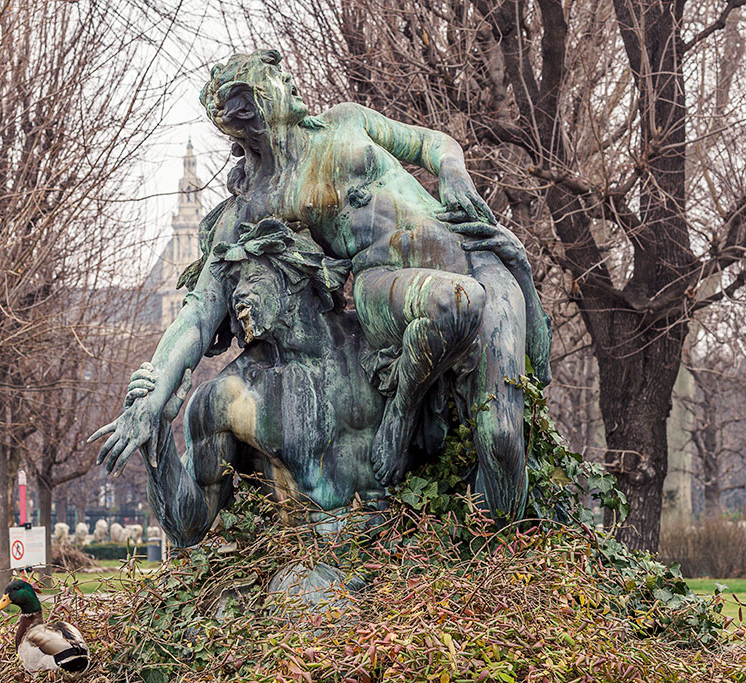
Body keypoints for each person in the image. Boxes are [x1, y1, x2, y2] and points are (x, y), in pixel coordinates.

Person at [92, 49, 551, 522]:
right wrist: (153, 395)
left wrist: (453, 174)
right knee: (468, 341)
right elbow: (199, 311)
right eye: (269, 83)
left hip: (473, 250)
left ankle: (502, 566)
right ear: (240, 118)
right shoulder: (260, 202)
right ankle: (404, 414)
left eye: (279, 77)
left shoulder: (348, 121)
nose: (286, 84)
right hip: (388, 281)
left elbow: (434, 144)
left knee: (503, 437)